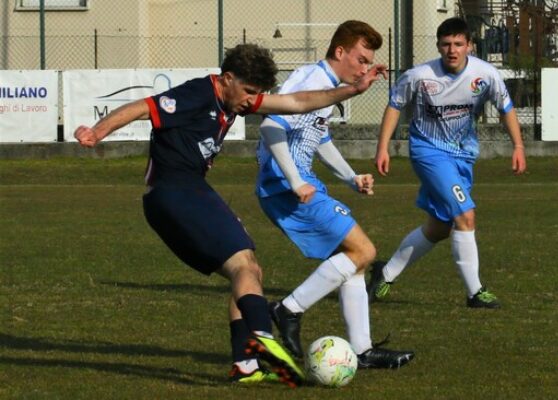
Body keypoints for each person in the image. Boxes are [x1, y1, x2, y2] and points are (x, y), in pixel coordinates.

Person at [74, 43, 387, 387]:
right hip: (176, 192)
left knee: (247, 270)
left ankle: (245, 365)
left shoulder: (235, 97)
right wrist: (98, 132)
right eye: (249, 91)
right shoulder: (198, 92)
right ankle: (264, 338)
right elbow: (142, 107)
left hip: (179, 196)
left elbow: (297, 102)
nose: (252, 100)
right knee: (244, 266)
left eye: (258, 93)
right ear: (227, 79)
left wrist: (353, 90)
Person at [256, 21, 415, 369]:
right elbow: (270, 125)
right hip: (283, 186)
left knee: (353, 260)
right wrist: (296, 181)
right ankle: (288, 309)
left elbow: (319, 139)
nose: (363, 68)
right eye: (360, 59)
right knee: (365, 251)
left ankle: (362, 350)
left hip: (298, 184)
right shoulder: (312, 79)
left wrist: (350, 177)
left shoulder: (328, 88)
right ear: (340, 52)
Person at [368, 17, 527, 308]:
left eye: (458, 44)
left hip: (463, 154)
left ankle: (385, 273)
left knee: (439, 227)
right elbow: (395, 107)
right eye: (445, 44)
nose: (452, 50)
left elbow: (506, 108)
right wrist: (383, 148)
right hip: (428, 152)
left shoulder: (486, 74)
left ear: (469, 46)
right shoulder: (419, 76)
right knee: (465, 215)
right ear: (439, 46)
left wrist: (518, 145)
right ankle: (475, 292)